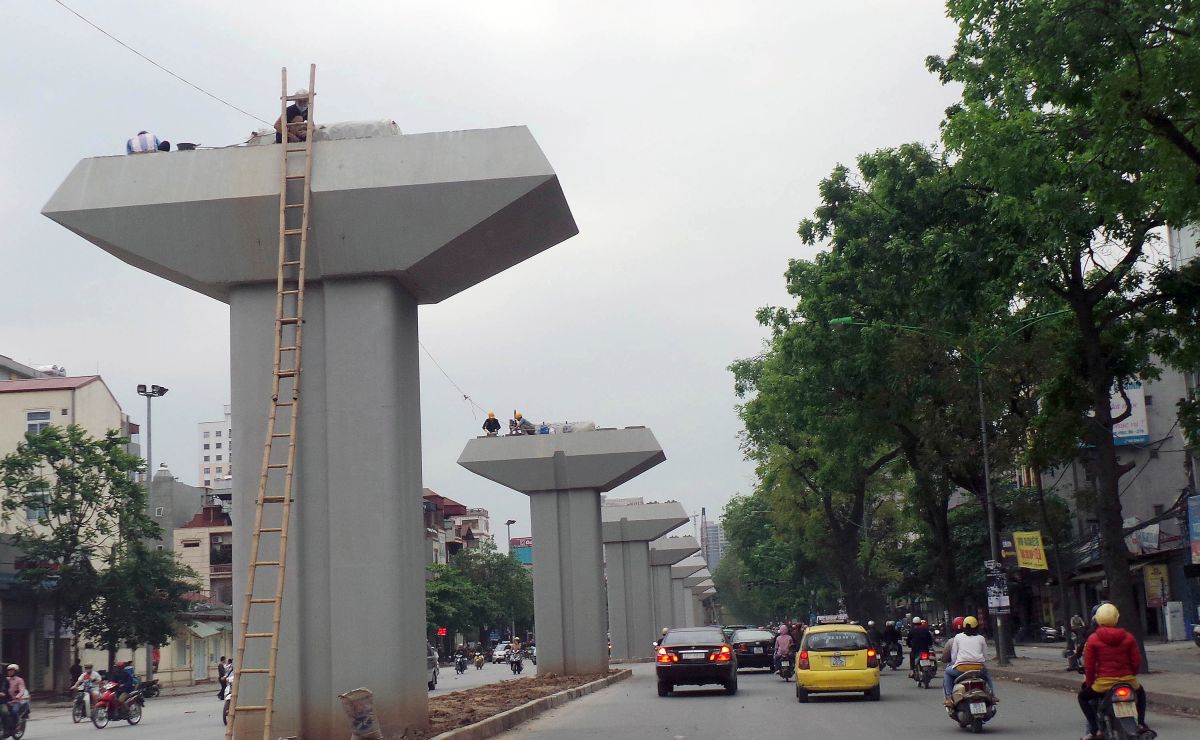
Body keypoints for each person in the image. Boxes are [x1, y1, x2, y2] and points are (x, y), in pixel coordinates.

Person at [1078, 603, 1151, 739]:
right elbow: (1136, 662)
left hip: (1104, 684)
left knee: (1082, 697)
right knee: (1141, 694)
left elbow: (1090, 667)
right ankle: (1141, 724)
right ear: (1116, 619)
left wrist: (1089, 684)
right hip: (1128, 681)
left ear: (1097, 620)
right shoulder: (1128, 637)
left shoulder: (1093, 640)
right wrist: (1130, 676)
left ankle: (1094, 730)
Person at [943, 616, 995, 707]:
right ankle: (992, 695)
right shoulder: (981, 638)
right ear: (976, 627)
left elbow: (954, 655)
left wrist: (953, 663)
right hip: (978, 669)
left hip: (961, 669)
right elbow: (985, 656)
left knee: (947, 672)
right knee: (987, 676)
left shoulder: (958, 637)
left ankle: (948, 698)